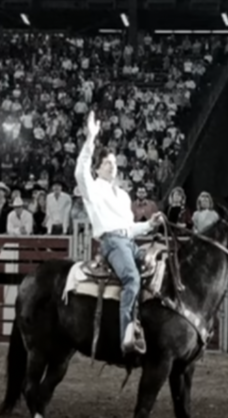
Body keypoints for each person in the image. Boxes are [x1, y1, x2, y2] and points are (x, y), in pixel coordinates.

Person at [74, 111, 164, 356]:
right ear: (98, 168)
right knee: (132, 279)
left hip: (129, 241)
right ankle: (127, 334)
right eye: (107, 164)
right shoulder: (93, 189)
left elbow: (129, 227)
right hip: (113, 243)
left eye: (114, 164)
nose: (112, 167)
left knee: (158, 270)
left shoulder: (123, 195)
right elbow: (80, 173)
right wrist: (91, 139)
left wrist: (149, 225)